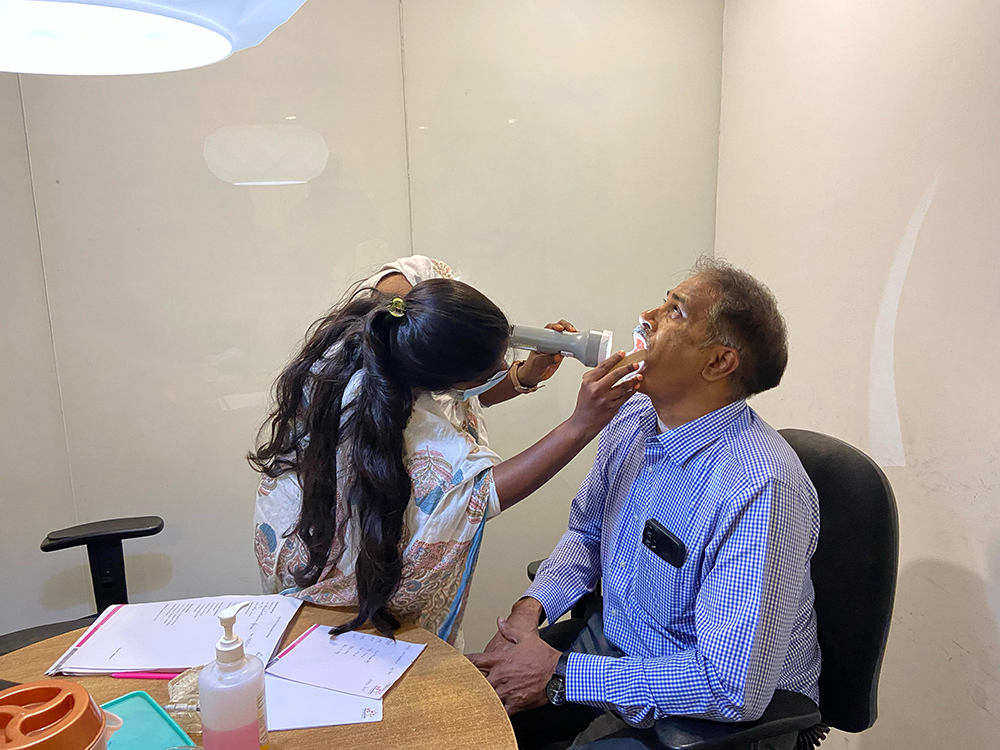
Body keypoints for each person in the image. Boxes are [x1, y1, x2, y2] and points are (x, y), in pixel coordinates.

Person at [469, 257, 822, 749]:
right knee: (467, 714)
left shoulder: (761, 487)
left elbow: (730, 688)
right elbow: (587, 533)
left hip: (706, 712)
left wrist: (559, 672)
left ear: (718, 363)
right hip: (615, 644)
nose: (647, 317)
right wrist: (528, 612)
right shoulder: (633, 415)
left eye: (675, 311)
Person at [251, 258, 641, 650]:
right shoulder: (383, 407)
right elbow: (475, 496)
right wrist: (580, 425)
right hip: (327, 575)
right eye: (489, 370)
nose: (647, 320)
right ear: (438, 384)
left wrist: (523, 375)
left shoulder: (400, 332)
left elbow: (465, 390)